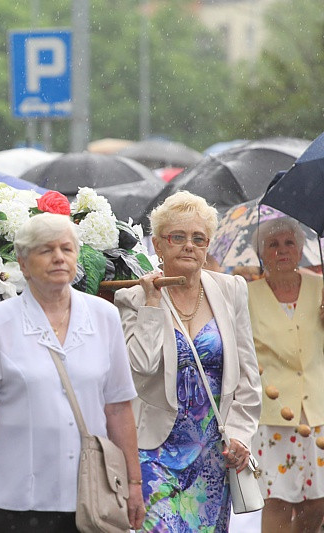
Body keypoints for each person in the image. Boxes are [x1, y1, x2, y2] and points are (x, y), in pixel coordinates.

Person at [0, 213, 144, 532]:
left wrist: (134, 485)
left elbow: (118, 408)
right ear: (23, 264)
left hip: (91, 498)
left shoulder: (105, 316)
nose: (58, 257)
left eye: (66, 249)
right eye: (46, 250)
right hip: (14, 502)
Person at [114, 190, 262, 531]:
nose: (189, 246)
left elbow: (247, 378)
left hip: (212, 454)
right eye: (177, 237)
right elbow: (140, 367)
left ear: (208, 245)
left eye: (198, 238)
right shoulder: (132, 297)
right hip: (153, 452)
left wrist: (239, 436)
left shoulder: (231, 289)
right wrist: (152, 303)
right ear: (158, 245)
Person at [248, 217, 324, 532]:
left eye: (289, 243)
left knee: (318, 501)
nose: (282, 250)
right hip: (274, 414)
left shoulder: (320, 288)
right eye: (273, 244)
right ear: (262, 253)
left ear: (301, 248)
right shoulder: (246, 294)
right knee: (278, 499)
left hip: (319, 411)